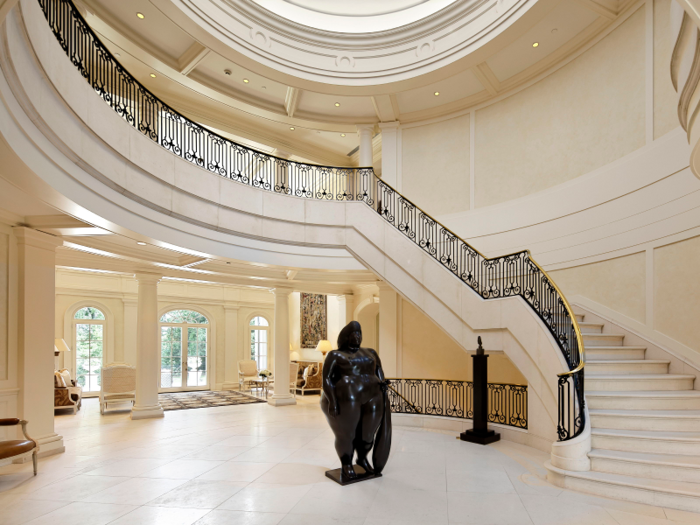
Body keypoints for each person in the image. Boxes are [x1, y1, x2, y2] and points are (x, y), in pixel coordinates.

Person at [321, 321, 392, 482]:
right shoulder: (335, 355)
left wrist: (383, 383)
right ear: (346, 337)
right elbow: (326, 379)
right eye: (354, 334)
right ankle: (346, 463)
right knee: (347, 434)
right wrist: (332, 400)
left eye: (360, 334)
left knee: (368, 434)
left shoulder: (371, 352)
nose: (358, 337)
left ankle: (362, 459)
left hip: (373, 396)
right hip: (347, 398)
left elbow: (379, 370)